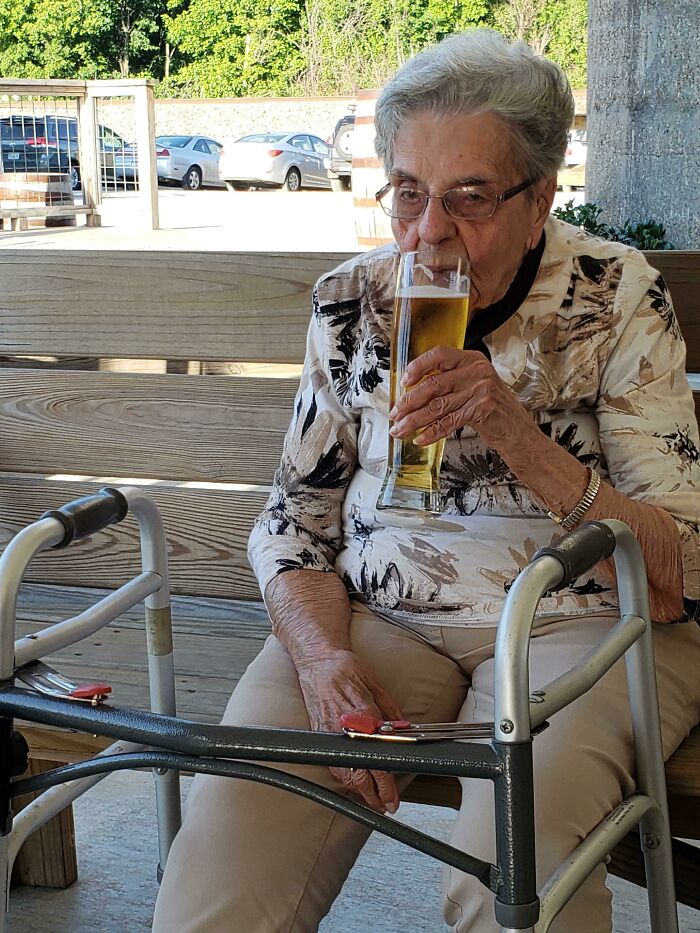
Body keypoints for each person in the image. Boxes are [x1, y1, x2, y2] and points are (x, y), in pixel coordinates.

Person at [153, 29, 700, 933]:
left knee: (510, 863)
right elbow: (294, 523)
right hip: (377, 616)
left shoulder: (615, 295)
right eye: (408, 193)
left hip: (577, 623)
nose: (429, 232)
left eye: (470, 198)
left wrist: (514, 432)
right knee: (222, 869)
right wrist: (324, 660)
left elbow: (679, 568)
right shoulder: (350, 301)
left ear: (539, 200)